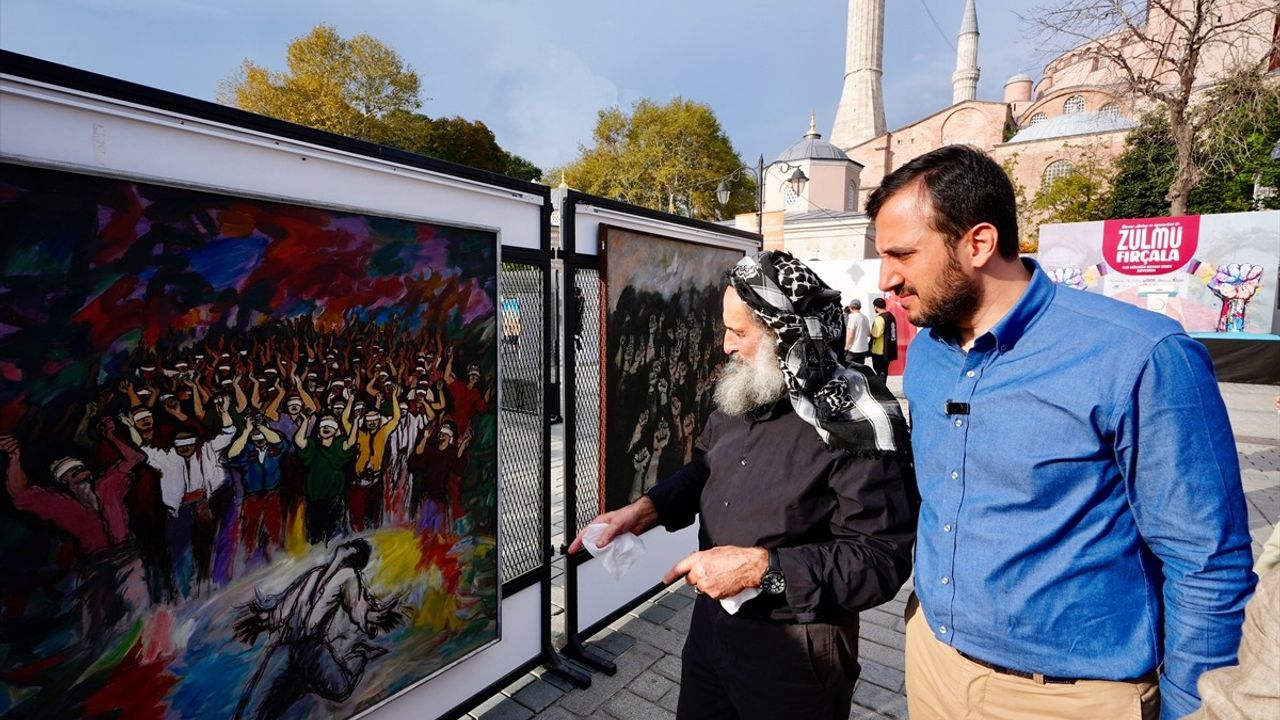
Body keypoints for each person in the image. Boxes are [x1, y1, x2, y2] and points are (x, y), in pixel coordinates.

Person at [866, 144, 1254, 720]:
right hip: (934, 664)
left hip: (1070, 697)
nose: (886, 278)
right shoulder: (928, 353)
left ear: (978, 243)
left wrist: (1192, 709)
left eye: (902, 254)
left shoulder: (1139, 355)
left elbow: (1207, 562)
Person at [571, 251, 917, 720]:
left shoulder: (858, 421)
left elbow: (879, 559)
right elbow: (705, 470)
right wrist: (644, 511)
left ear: (787, 337)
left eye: (739, 332)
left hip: (797, 647)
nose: (726, 346)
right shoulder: (747, 391)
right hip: (713, 631)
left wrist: (762, 567)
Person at [868, 297, 897, 379]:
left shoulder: (880, 318)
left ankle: (881, 388)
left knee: (880, 370)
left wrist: (868, 332)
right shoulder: (891, 316)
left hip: (879, 350)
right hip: (890, 348)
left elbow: (876, 334)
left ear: (875, 307)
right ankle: (883, 387)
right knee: (884, 370)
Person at [843, 300, 871, 366]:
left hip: (854, 349)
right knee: (860, 368)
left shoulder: (852, 318)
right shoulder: (865, 317)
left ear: (850, 307)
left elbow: (850, 335)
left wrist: (846, 347)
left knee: (849, 368)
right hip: (863, 349)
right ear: (860, 307)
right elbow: (868, 333)